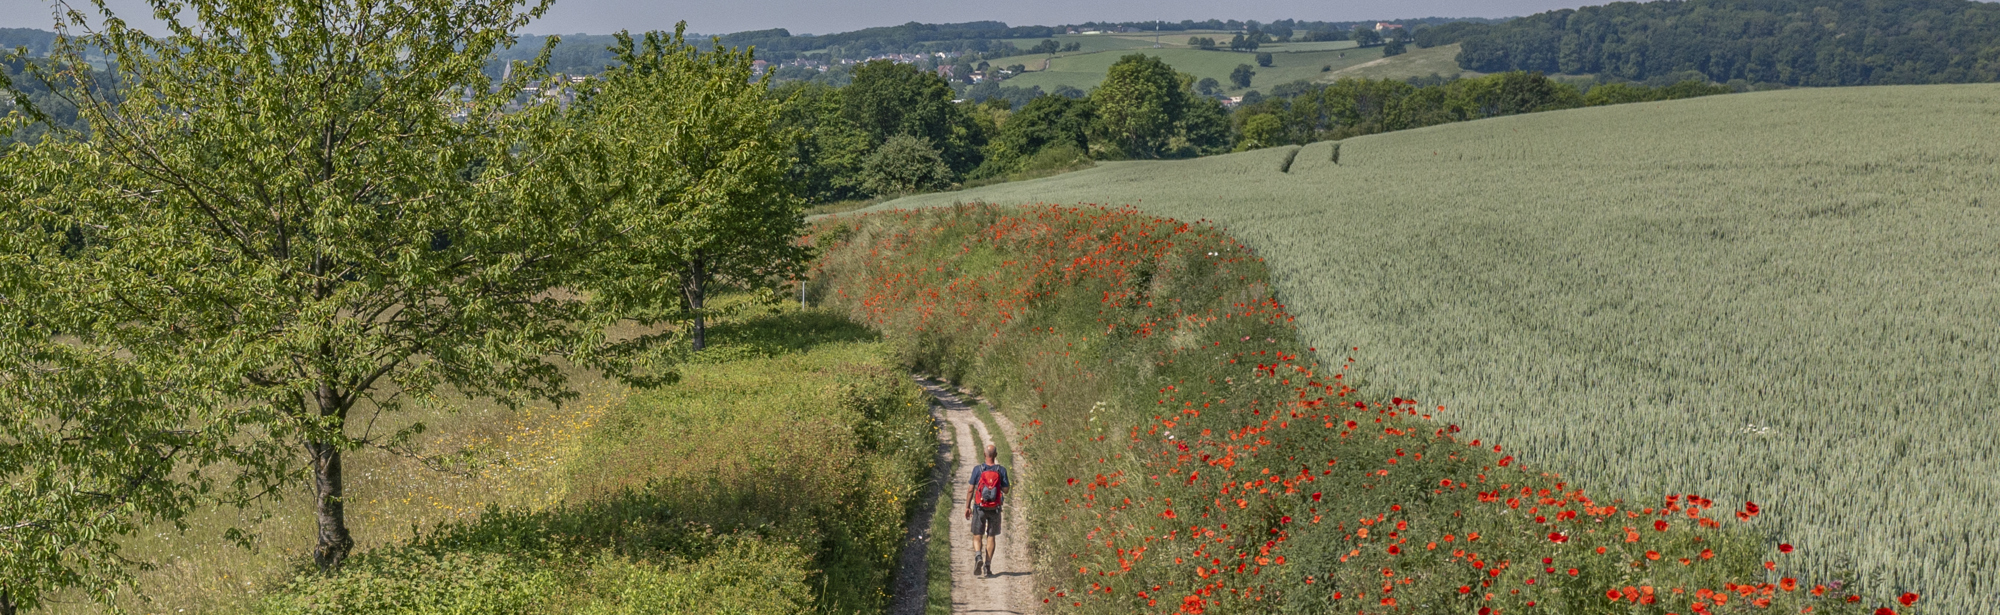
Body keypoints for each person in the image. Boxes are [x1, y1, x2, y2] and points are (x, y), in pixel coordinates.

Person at [964, 443, 1008, 577]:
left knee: (977, 535)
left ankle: (978, 556)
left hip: (979, 507)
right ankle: (987, 566)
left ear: (984, 454)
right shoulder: (1001, 470)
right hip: (994, 508)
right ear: (995, 455)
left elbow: (971, 489)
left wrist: (967, 507)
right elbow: (1006, 490)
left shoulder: (978, 469)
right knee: (991, 536)